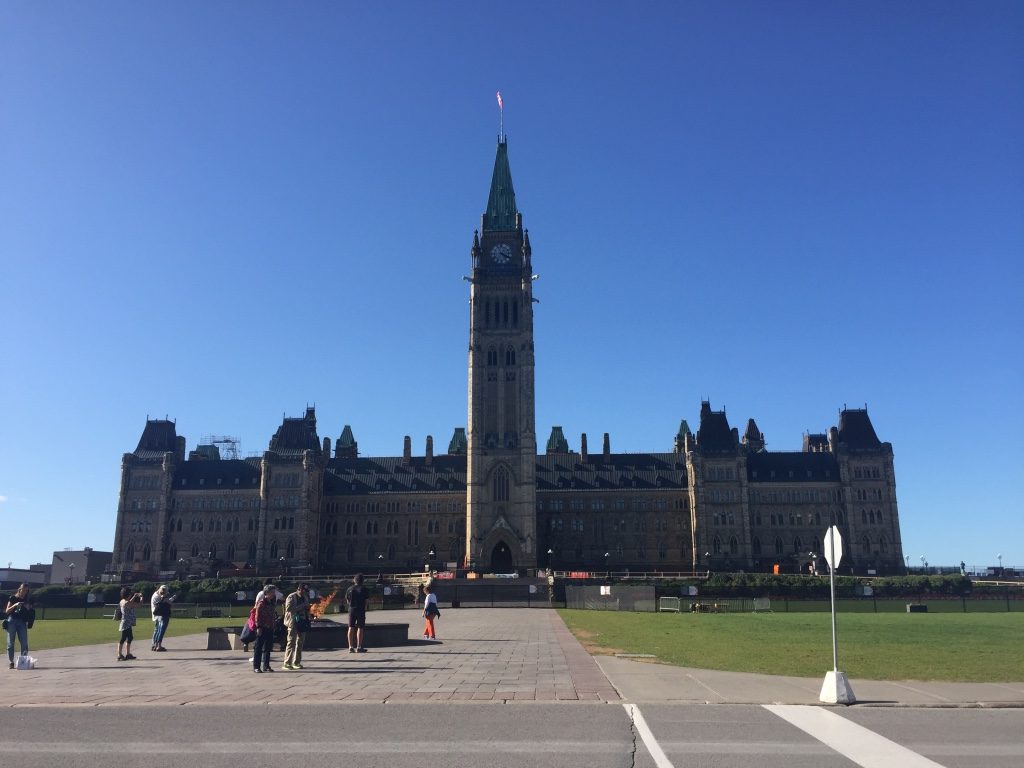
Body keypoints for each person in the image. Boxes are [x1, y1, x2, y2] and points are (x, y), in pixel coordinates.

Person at [5, 584, 33, 670]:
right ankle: (11, 662)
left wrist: (28, 608)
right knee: (10, 643)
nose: (24, 592)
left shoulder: (27, 600)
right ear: (19, 589)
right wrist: (15, 605)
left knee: (24, 643)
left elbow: (30, 612)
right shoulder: (13, 598)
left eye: (26, 591)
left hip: (22, 622)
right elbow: (7, 611)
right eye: (23, 590)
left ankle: (23, 661)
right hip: (12, 621)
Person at [283, 583, 310, 670]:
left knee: (300, 643)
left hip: (302, 622)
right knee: (291, 642)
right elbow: (289, 609)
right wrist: (302, 605)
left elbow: (306, 608)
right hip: (293, 621)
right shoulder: (291, 597)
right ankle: (287, 662)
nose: (305, 593)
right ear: (299, 589)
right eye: (304, 591)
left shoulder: (305, 597)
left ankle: (296, 662)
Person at [252, 584, 278, 673]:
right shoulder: (261, 603)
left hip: (270, 627)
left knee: (268, 647)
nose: (274, 594)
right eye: (272, 592)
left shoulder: (272, 602)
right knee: (258, 648)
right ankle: (256, 667)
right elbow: (257, 616)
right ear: (267, 593)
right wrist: (258, 627)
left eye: (274, 592)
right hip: (262, 628)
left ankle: (266, 666)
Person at [117, 587, 145, 661]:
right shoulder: (127, 603)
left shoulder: (123, 601)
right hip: (126, 623)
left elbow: (130, 602)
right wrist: (141, 597)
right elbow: (138, 605)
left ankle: (128, 654)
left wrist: (134, 596)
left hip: (127, 622)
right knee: (123, 639)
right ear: (128, 594)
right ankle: (119, 654)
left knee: (130, 638)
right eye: (130, 594)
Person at [345, 574, 370, 653]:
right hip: (361, 610)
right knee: (360, 628)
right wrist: (365, 608)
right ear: (362, 581)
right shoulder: (364, 589)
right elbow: (366, 601)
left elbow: (348, 601)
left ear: (354, 580)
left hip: (352, 610)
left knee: (351, 627)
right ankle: (359, 647)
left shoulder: (349, 589)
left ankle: (350, 646)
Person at [150, 585, 175, 652]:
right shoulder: (163, 598)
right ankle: (158, 646)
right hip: (163, 615)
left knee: (158, 630)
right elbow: (170, 604)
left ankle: (155, 645)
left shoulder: (156, 595)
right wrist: (171, 599)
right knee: (161, 630)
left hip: (157, 615)